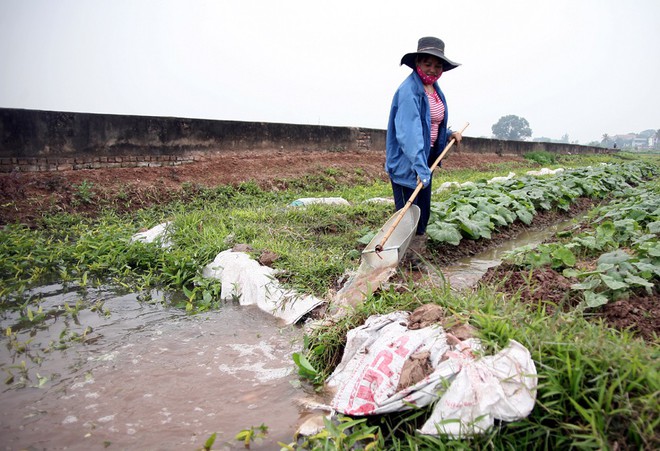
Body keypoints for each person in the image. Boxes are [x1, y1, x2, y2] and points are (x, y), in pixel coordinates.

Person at [385, 36, 463, 260]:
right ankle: (396, 257)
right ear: (418, 62)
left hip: (425, 158)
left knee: (422, 210)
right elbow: (409, 133)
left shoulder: (433, 89)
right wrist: (419, 165)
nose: (433, 69)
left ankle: (415, 256)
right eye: (428, 64)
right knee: (407, 212)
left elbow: (432, 122)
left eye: (438, 65)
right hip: (408, 160)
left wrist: (449, 134)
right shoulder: (409, 90)